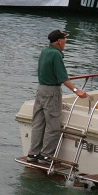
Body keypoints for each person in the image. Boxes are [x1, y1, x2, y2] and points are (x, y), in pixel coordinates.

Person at [27, 30, 88, 163]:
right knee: (53, 124)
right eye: (65, 39)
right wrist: (77, 90)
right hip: (52, 92)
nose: (66, 42)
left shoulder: (44, 51)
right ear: (59, 41)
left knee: (38, 122)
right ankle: (46, 155)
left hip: (41, 89)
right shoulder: (56, 54)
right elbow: (62, 77)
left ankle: (33, 153)